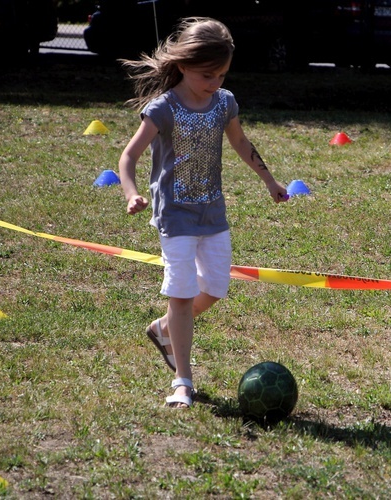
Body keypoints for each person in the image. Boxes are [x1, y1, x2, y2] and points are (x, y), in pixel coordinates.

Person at [118, 17, 289, 409]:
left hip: (212, 211)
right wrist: (131, 193)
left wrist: (270, 181)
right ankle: (183, 380)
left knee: (214, 287)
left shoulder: (224, 102)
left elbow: (241, 142)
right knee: (181, 291)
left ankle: (164, 329)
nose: (215, 82)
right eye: (207, 75)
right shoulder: (164, 108)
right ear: (182, 66)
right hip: (174, 215)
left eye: (222, 74)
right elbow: (129, 156)